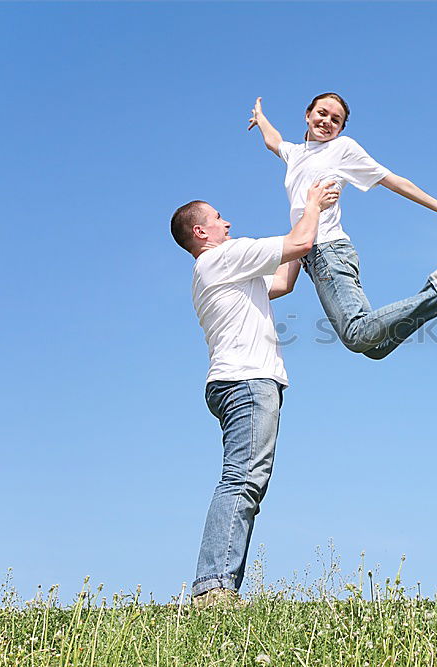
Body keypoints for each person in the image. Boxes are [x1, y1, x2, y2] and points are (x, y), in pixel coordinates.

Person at [170, 180, 338, 608]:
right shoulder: (222, 257)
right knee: (242, 479)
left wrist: (304, 219)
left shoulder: (225, 270)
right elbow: (299, 241)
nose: (227, 222)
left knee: (248, 480)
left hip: (240, 382)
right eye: (217, 218)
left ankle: (218, 584)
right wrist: (312, 205)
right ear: (201, 233)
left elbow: (282, 280)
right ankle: (212, 587)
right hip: (247, 381)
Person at [248, 93, 437, 360]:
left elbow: (392, 180)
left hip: (328, 251)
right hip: (315, 258)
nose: (327, 122)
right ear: (307, 115)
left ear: (341, 129)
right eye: (322, 113)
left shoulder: (341, 149)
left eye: (336, 120)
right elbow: (274, 141)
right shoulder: (295, 154)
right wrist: (260, 118)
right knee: (375, 347)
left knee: (356, 334)